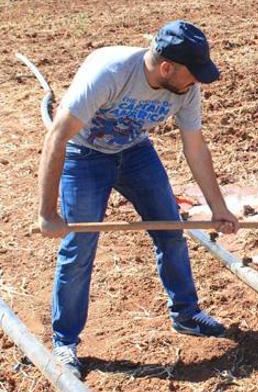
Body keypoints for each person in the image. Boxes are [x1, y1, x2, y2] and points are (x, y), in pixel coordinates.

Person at [36, 20, 239, 378]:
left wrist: (218, 207)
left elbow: (195, 146)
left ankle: (186, 314)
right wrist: (48, 213)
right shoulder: (110, 73)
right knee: (79, 248)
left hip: (135, 152)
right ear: (166, 68)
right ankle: (65, 341)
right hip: (84, 157)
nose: (197, 83)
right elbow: (57, 138)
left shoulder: (185, 89)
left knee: (171, 231)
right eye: (193, 75)